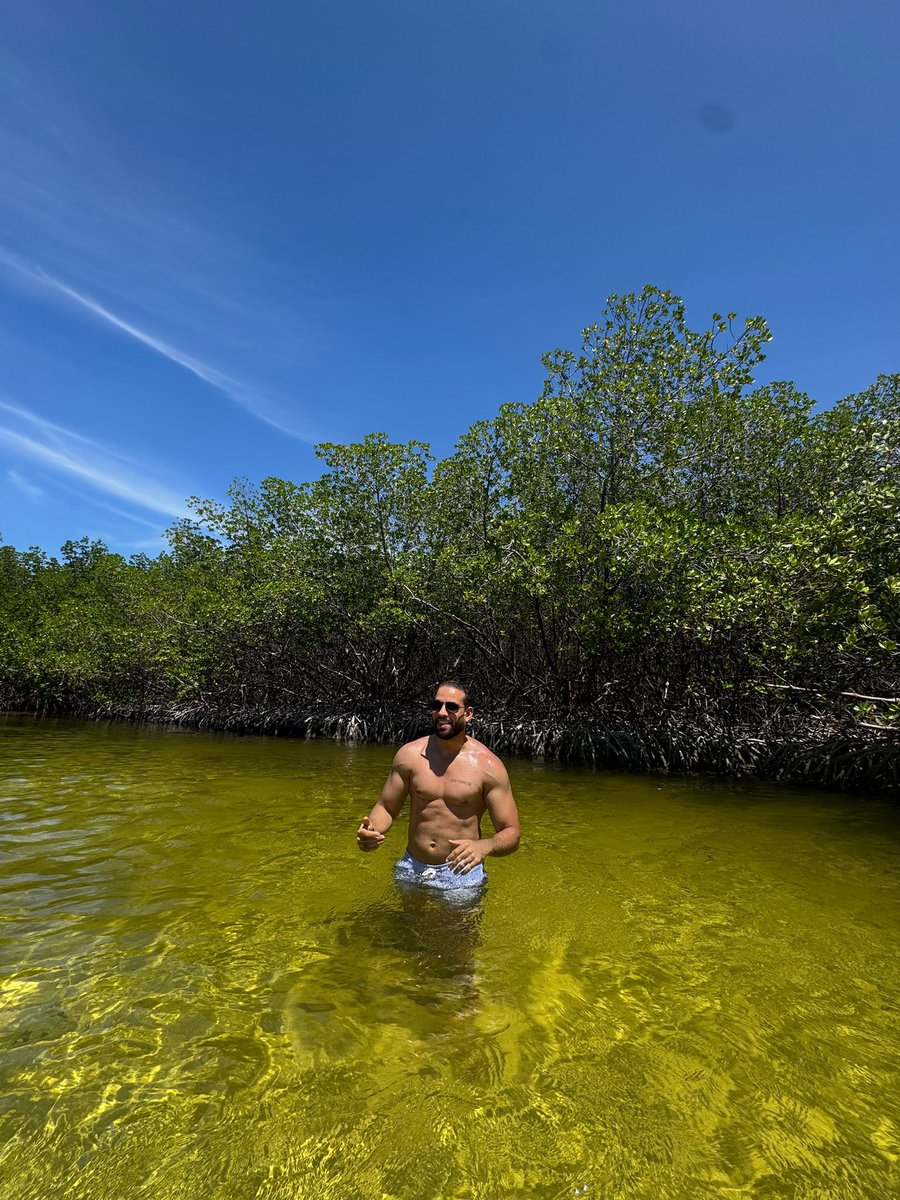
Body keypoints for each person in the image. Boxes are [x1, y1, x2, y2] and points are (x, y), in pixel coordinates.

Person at [356, 680, 520, 891]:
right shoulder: (409, 756)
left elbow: (511, 832)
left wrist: (483, 846)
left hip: (461, 872)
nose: (442, 712)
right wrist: (371, 832)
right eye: (436, 706)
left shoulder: (488, 766)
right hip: (412, 866)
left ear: (468, 713)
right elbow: (387, 807)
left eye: (451, 707)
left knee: (459, 915)